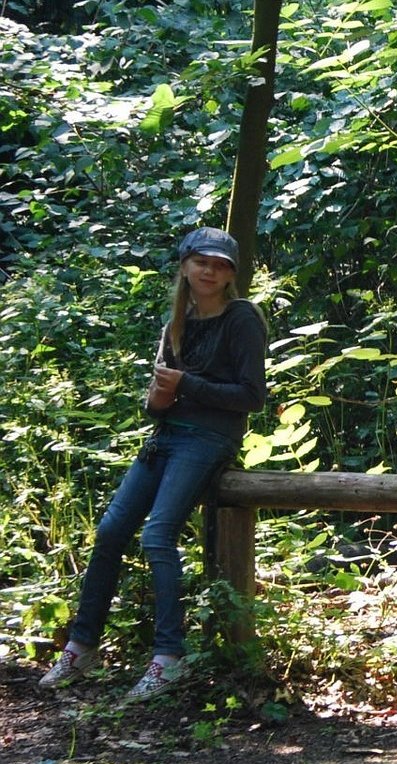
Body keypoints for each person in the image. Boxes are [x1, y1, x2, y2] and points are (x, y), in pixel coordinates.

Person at [38, 227, 267, 702]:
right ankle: (82, 646)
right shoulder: (176, 324)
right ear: (184, 266)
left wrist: (185, 384)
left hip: (207, 439)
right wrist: (162, 395)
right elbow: (157, 408)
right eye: (202, 262)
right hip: (165, 438)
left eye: (221, 265)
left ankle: (169, 657)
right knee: (109, 532)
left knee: (157, 535)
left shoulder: (242, 318)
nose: (210, 271)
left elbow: (251, 397)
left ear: (231, 275)